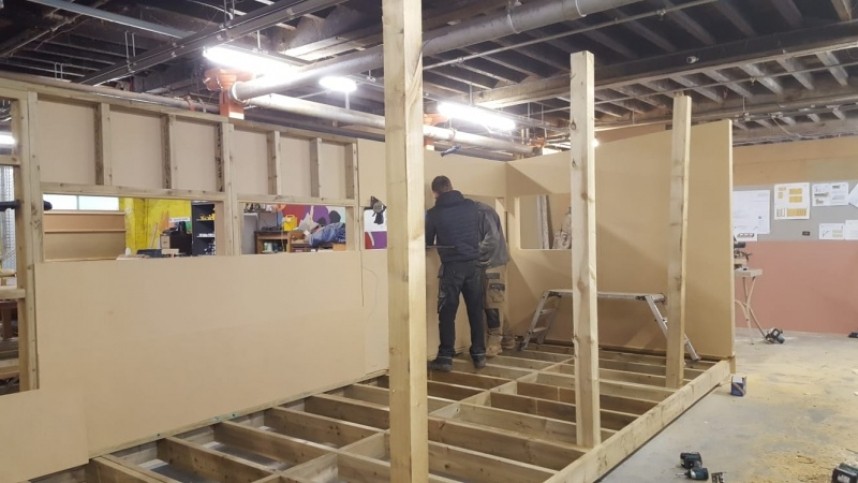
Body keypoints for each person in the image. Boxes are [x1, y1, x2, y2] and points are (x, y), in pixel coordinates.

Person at [425, 175, 486, 372]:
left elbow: (427, 240)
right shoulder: (471, 206)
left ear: (435, 193)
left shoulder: (434, 213)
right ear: (451, 186)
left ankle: (445, 357)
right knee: (476, 310)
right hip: (474, 265)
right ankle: (479, 354)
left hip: (452, 268)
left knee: (447, 312)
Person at [476, 201, 511, 357]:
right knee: (492, 301)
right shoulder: (476, 212)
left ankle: (495, 343)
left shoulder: (484, 212)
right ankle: (509, 337)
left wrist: (472, 249)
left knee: (493, 302)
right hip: (484, 262)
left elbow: (492, 239)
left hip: (494, 262)